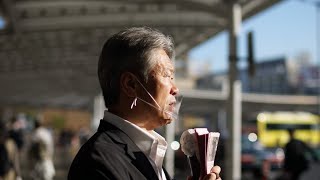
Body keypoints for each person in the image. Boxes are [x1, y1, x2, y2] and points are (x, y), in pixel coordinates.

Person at [68, 27, 221, 180]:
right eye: (167, 76)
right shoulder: (98, 161)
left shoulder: (147, 154)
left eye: (173, 78)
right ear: (131, 85)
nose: (175, 89)